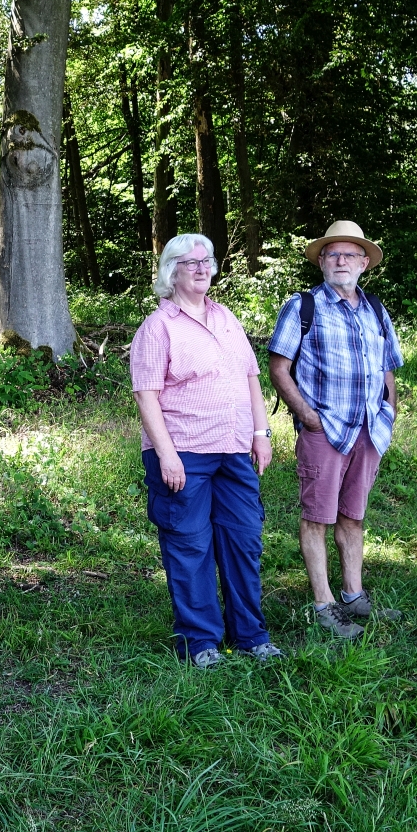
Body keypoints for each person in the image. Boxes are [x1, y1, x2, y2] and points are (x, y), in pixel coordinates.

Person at [130, 232, 277, 668]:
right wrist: (166, 455)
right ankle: (200, 643)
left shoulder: (226, 317)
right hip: (185, 454)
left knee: (243, 541)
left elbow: (250, 378)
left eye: (207, 261)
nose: (201, 268)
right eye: (191, 262)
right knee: (190, 546)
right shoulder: (157, 327)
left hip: (234, 450)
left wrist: (261, 432)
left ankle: (250, 636)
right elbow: (146, 396)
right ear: (171, 272)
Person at [268, 221, 403, 640]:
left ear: (364, 263)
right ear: (322, 262)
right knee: (317, 518)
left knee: (353, 516)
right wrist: (308, 417)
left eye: (350, 254)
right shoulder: (303, 307)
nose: (341, 260)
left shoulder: (375, 309)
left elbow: (388, 367)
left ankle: (353, 594)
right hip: (324, 431)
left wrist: (388, 413)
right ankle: (324, 605)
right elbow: (278, 367)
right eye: (333, 254)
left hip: (368, 430)